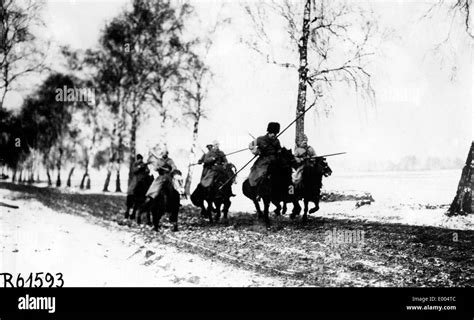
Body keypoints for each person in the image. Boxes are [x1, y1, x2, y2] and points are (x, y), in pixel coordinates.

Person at [248, 122, 281, 187]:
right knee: (260, 175)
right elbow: (250, 146)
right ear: (269, 132)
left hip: (274, 160)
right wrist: (257, 151)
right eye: (272, 133)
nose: (274, 135)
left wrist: (279, 153)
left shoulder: (277, 141)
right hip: (263, 161)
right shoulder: (260, 139)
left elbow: (279, 150)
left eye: (276, 133)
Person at [125, 154, 150, 218]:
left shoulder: (144, 164)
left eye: (141, 159)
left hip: (143, 179)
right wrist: (139, 167)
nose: (140, 160)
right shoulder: (135, 164)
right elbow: (134, 170)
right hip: (136, 180)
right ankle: (127, 212)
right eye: (139, 159)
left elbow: (148, 171)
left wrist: (146, 168)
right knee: (131, 192)